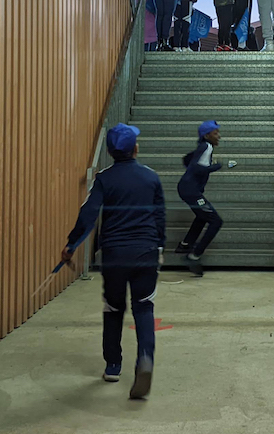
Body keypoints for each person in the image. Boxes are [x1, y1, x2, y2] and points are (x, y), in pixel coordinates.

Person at [60, 123, 165, 398]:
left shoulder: (104, 179)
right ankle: (145, 359)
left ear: (109, 151)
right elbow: (159, 217)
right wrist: (160, 246)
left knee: (113, 308)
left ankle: (113, 365)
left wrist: (71, 244)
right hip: (145, 251)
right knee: (144, 307)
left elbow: (88, 214)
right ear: (135, 149)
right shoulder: (151, 178)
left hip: (115, 254)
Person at [175, 119, 235, 275]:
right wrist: (216, 166)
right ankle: (194, 256)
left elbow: (187, 160)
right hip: (190, 190)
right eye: (216, 133)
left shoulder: (203, 146)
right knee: (216, 221)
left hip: (188, 189)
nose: (219, 136)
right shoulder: (207, 146)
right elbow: (195, 167)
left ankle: (185, 244)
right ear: (207, 135)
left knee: (202, 217)